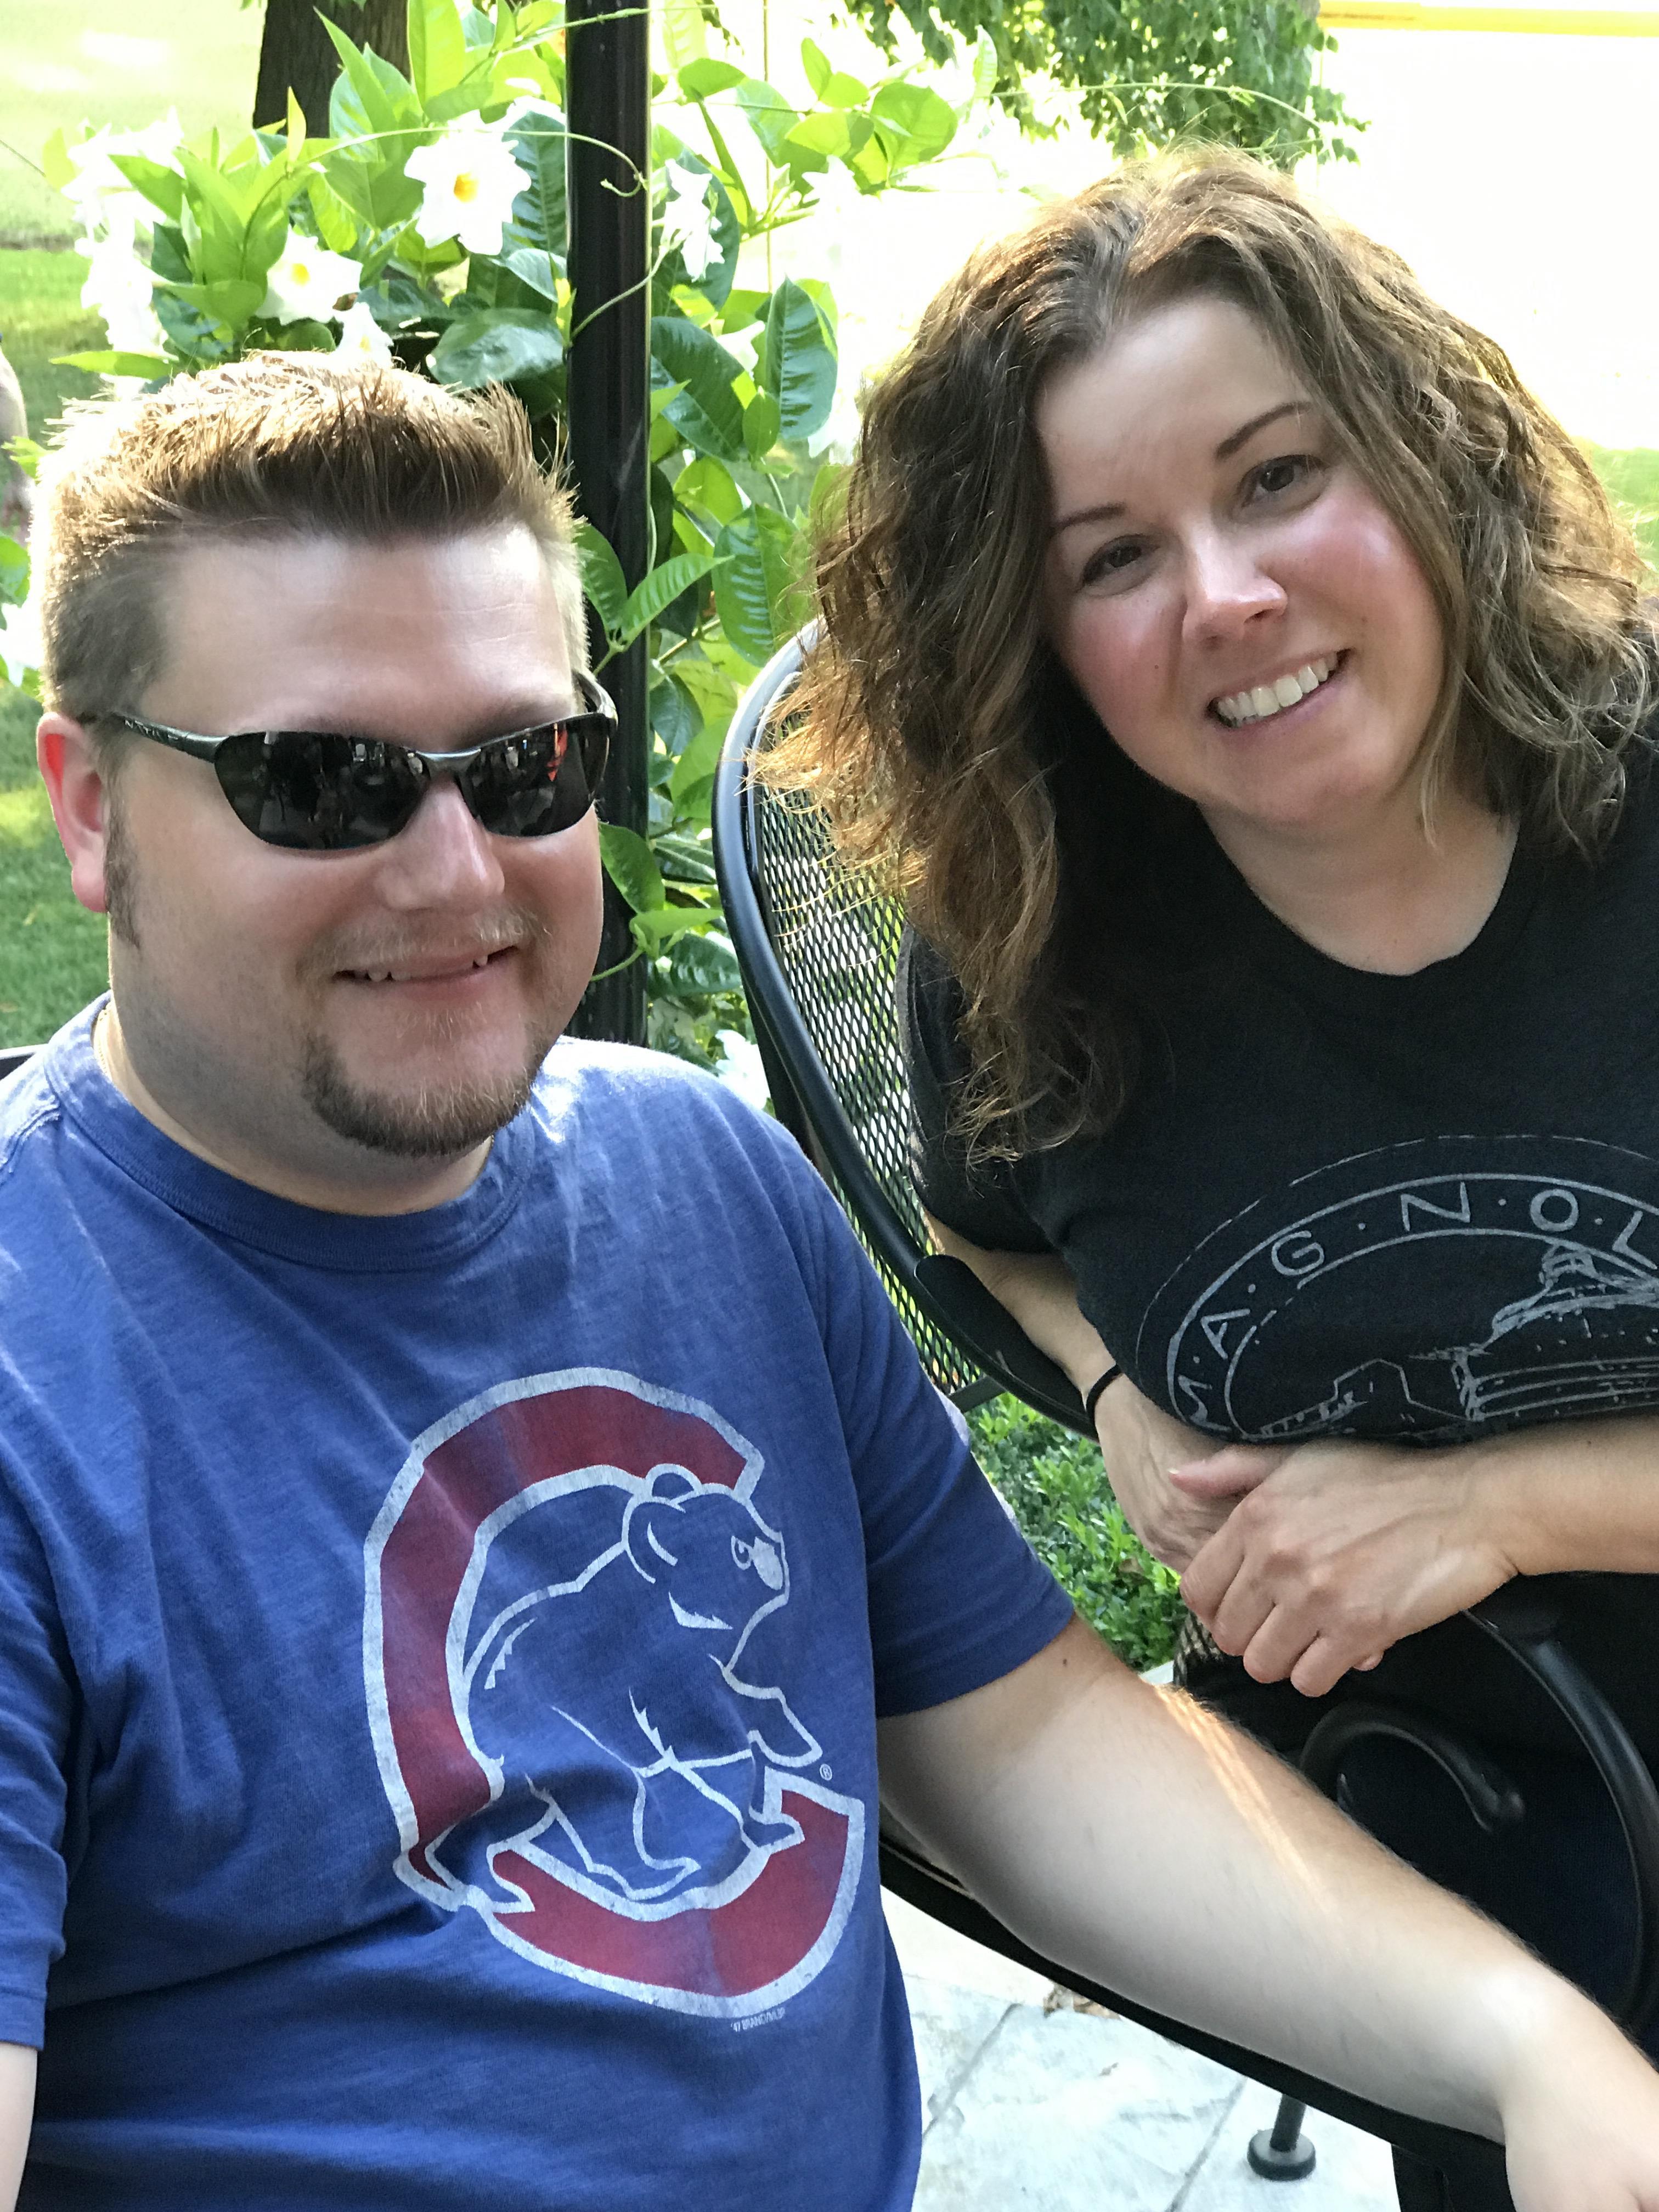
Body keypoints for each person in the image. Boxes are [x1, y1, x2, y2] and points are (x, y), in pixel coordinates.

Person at [2, 351, 1658, 2212]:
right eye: (326, 785)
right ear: (89, 805)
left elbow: (1025, 1749)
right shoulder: (34, 1366)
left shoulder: (698, 1184)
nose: (455, 870)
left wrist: (1529, 2042)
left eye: (526, 765)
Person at [778, 143, 1659, 2176]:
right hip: (1463, 1845)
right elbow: (979, 1230)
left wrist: (1490, 1508)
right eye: (1111, 557)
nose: (1227, 597)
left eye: (1277, 477)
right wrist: (1113, 1383)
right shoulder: (1038, 933)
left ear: (1424, 459)